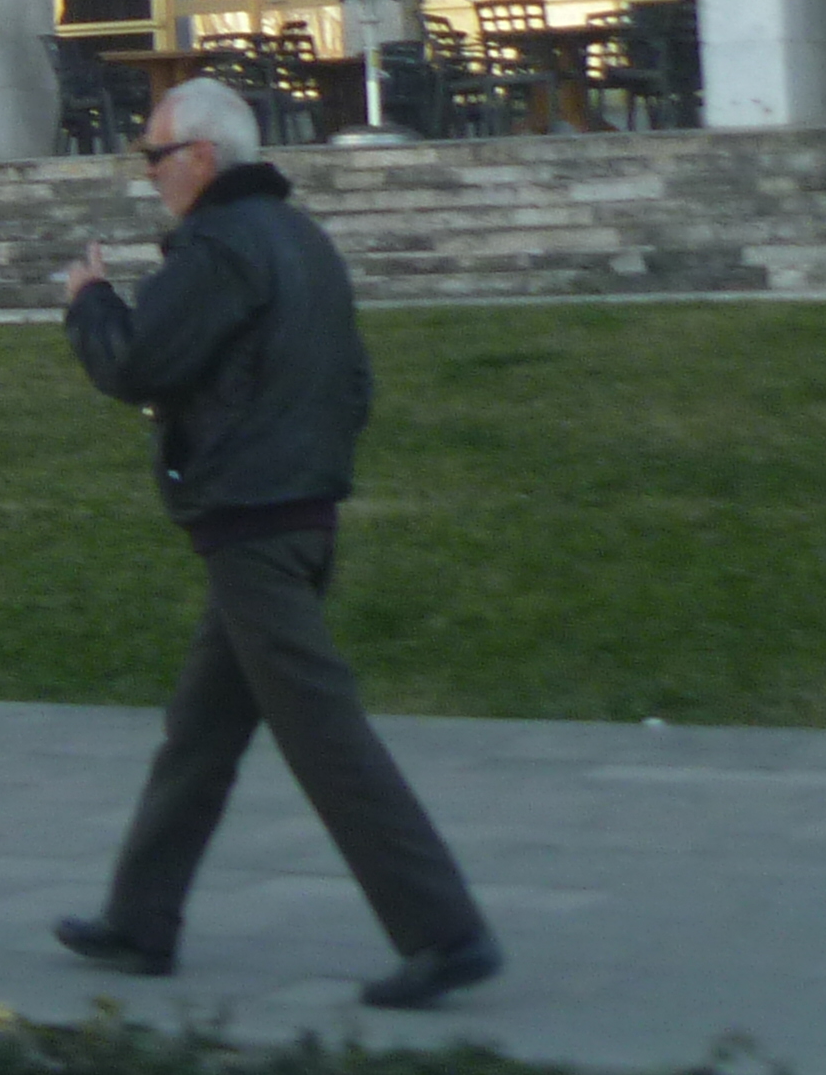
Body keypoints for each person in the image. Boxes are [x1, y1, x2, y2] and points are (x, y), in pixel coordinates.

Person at [54, 79, 498, 1010]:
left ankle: (444, 931)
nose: (149, 175)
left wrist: (90, 302)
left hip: (251, 522)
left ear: (203, 157)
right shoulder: (303, 241)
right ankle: (140, 919)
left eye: (156, 156)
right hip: (297, 517)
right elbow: (354, 385)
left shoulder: (219, 246)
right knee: (201, 732)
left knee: (325, 737)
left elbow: (136, 362)